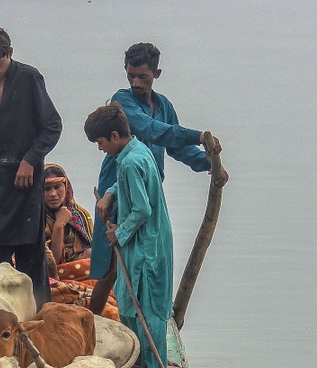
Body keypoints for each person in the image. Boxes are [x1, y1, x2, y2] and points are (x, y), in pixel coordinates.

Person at [89, 42, 228, 316]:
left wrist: (209, 163)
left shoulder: (163, 105)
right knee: (112, 264)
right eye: (131, 76)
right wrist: (198, 136)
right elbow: (152, 131)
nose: (136, 82)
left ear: (157, 73)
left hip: (148, 194)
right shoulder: (123, 101)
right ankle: (92, 322)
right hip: (118, 186)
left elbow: (176, 147)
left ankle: (144, 322)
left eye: (143, 76)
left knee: (143, 260)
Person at [0, 27, 62, 309]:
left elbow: (52, 126)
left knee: (30, 258)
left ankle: (39, 315)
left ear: (10, 52)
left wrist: (30, 160)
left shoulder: (29, 77)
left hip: (25, 179)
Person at [86, 104, 172, 368]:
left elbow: (142, 210)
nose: (101, 149)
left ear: (113, 135)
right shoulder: (136, 151)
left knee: (147, 313)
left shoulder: (131, 162)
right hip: (145, 243)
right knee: (128, 306)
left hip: (146, 247)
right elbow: (128, 188)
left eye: (101, 143)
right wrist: (110, 193)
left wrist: (117, 233)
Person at [42, 163, 93, 266]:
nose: (53, 194)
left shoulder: (80, 214)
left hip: (81, 268)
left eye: (57, 187)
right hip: (50, 271)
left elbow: (93, 250)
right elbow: (52, 261)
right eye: (47, 189)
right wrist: (58, 225)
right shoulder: (36, 219)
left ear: (66, 187)